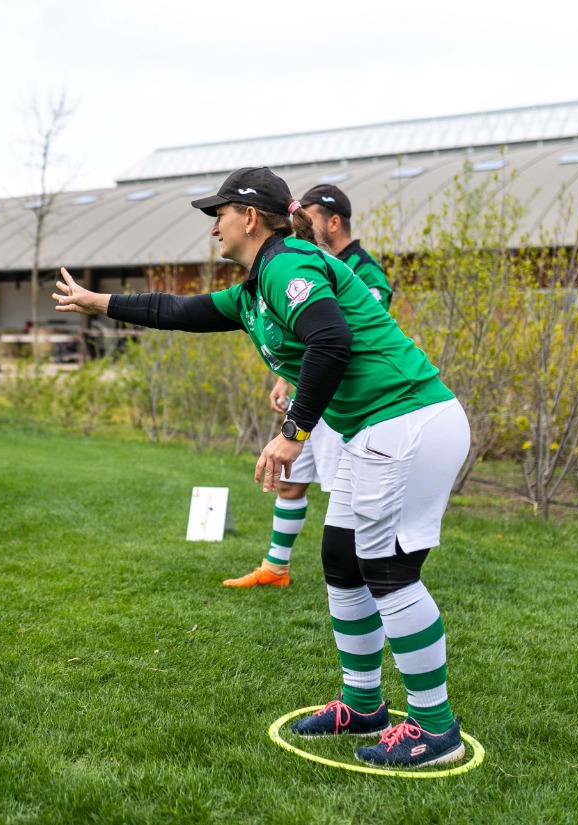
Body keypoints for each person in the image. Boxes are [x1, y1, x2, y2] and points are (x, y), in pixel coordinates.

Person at [52, 167, 470, 768]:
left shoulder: (286, 265)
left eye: (217, 213)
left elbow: (331, 343)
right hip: (373, 427)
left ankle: (436, 730)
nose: (213, 225)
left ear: (250, 217)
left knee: (388, 572)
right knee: (341, 559)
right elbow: (181, 310)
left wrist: (291, 435)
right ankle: (363, 704)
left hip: (405, 421)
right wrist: (101, 302)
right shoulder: (256, 288)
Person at [223, 183, 392, 588]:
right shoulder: (297, 263)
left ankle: (359, 575)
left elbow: (337, 336)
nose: (299, 222)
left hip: (345, 400)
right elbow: (305, 333)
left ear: (334, 222)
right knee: (289, 478)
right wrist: (285, 378)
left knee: (345, 490)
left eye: (309, 215)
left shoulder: (363, 270)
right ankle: (276, 567)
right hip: (310, 398)